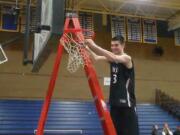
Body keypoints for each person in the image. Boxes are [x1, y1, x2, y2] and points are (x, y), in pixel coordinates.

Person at [85, 35, 139, 135]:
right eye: (112, 45)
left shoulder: (127, 58)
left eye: (116, 45)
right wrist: (86, 47)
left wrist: (94, 45)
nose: (113, 47)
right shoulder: (112, 59)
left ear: (123, 45)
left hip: (127, 105)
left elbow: (113, 57)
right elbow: (96, 58)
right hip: (114, 104)